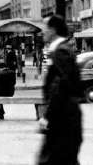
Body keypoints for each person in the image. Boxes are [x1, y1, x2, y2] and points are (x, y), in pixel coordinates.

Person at [37, 15, 83, 165]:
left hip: (63, 120)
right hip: (64, 119)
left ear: (53, 30)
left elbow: (60, 86)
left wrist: (47, 116)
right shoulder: (61, 49)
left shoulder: (61, 52)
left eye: (45, 28)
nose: (42, 32)